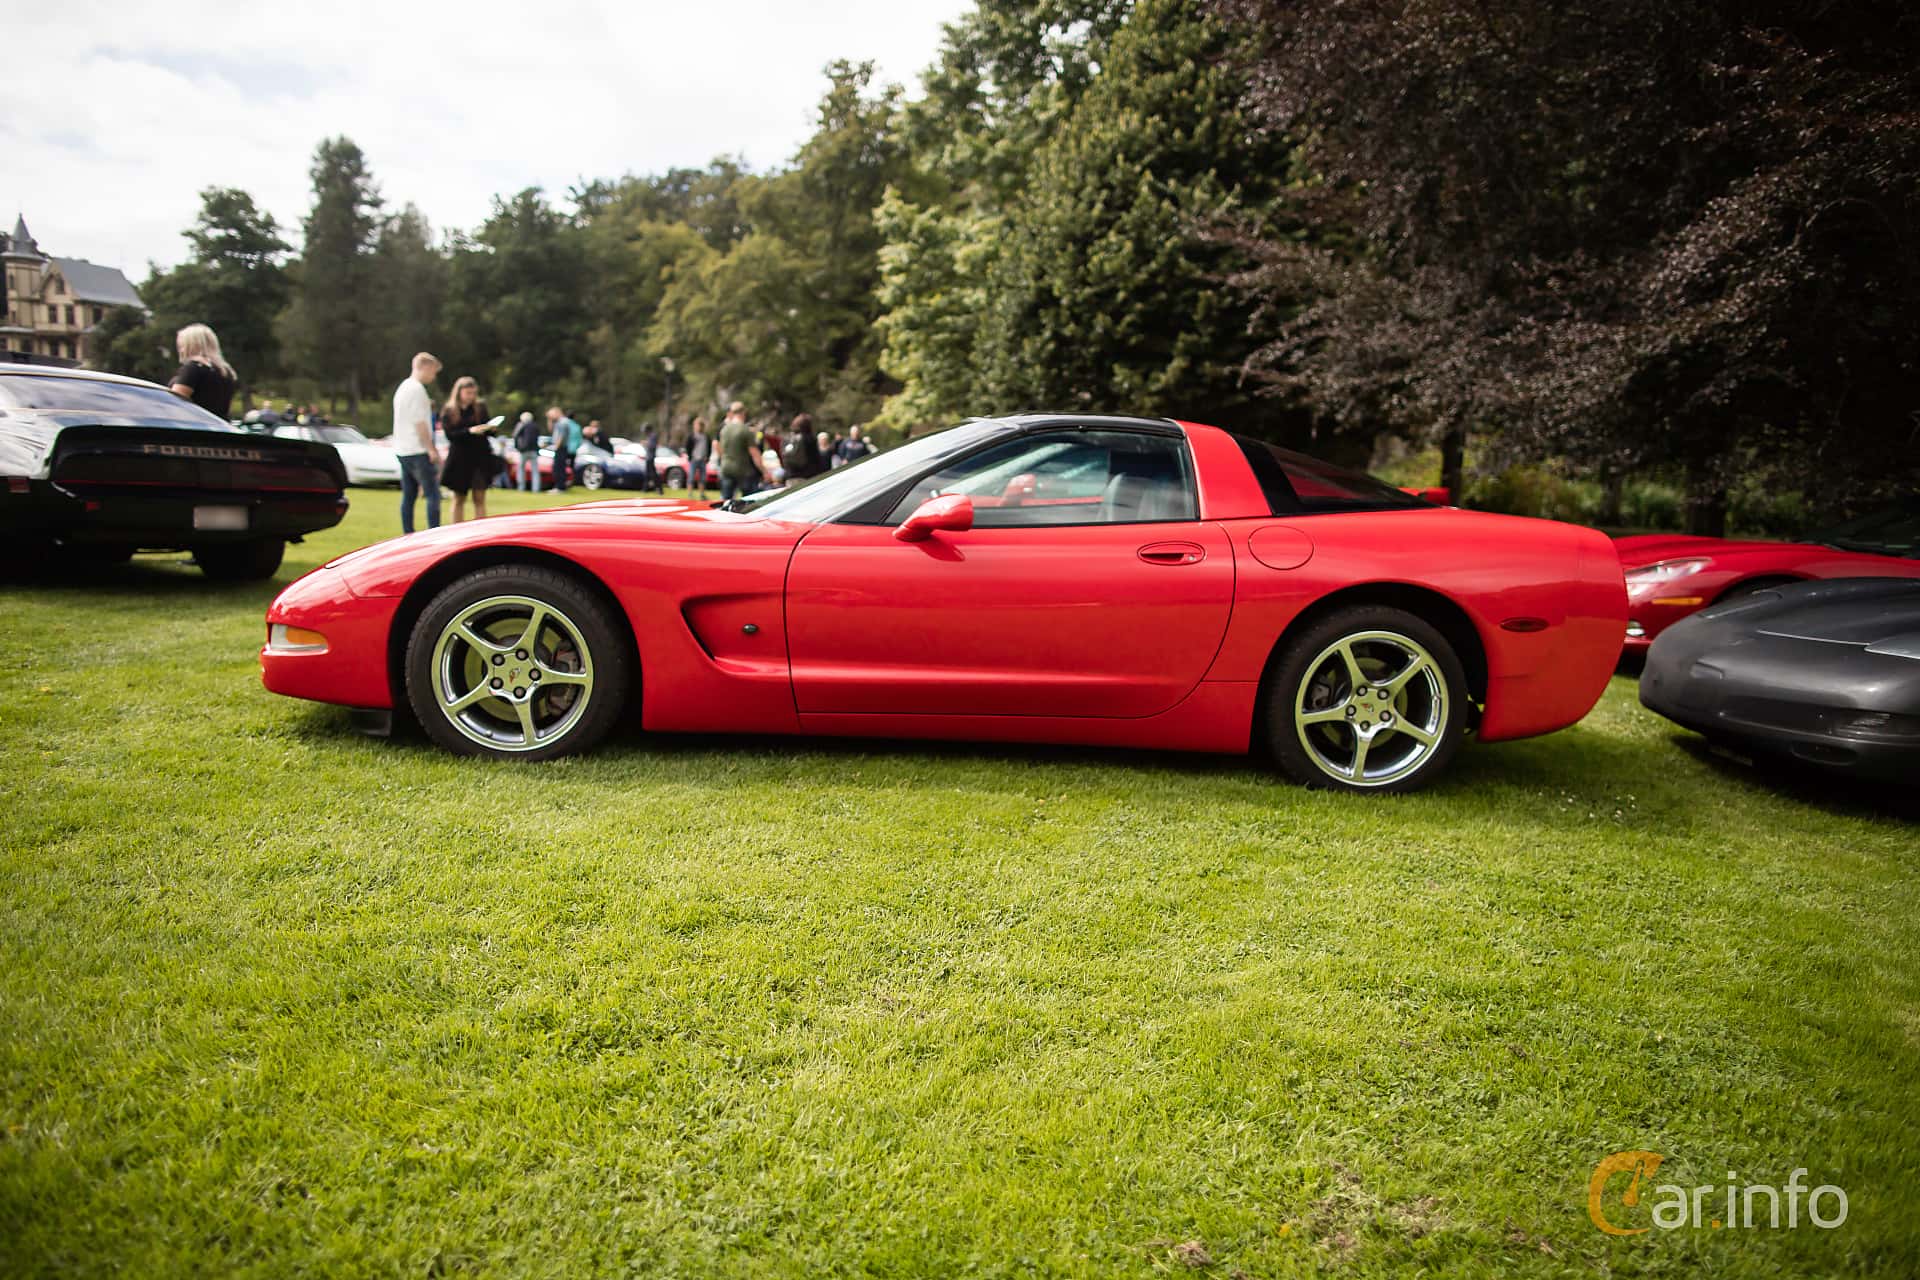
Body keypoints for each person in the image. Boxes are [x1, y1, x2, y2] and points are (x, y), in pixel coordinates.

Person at [393, 351, 443, 533]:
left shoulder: (403, 387)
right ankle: (434, 532)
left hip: (403, 448)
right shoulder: (416, 389)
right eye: (433, 372)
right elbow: (419, 423)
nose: (433, 376)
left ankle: (408, 532)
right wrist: (431, 449)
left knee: (409, 495)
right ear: (425, 367)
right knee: (433, 495)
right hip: (417, 449)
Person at [438, 375, 495, 523]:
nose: (471, 397)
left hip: (479, 458)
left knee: (480, 498)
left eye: (473, 393)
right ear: (459, 392)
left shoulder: (480, 408)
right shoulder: (449, 410)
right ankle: (456, 531)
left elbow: (489, 430)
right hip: (460, 459)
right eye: (468, 393)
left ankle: (480, 533)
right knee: (458, 498)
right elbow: (450, 435)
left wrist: (490, 428)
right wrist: (470, 431)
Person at [167, 324, 237, 419]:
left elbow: (175, 401)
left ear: (192, 345)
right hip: (220, 426)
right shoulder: (226, 371)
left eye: (181, 345)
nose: (181, 350)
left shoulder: (193, 367)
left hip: (194, 425)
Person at [716, 401, 768, 502]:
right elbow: (755, 454)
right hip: (742, 470)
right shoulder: (745, 430)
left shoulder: (724, 430)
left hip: (726, 468)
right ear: (743, 412)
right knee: (748, 501)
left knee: (725, 500)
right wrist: (764, 471)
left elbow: (720, 447)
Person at [546, 406, 583, 491]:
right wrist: (549, 419)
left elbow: (561, 437)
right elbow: (551, 430)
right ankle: (562, 486)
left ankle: (560, 487)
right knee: (561, 468)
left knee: (560, 468)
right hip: (567, 448)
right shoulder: (560, 422)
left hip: (562, 448)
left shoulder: (563, 422)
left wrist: (556, 447)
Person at [781, 412, 827, 480]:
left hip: (791, 477)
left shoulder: (786, 439)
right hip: (808, 476)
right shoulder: (809, 439)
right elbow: (817, 459)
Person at [512, 411, 543, 492]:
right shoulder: (535, 426)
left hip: (524, 450)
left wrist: (517, 447)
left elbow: (515, 436)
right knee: (535, 470)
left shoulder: (521, 425)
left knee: (521, 469)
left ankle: (521, 487)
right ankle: (536, 489)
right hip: (534, 450)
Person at [686, 417, 711, 498]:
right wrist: (690, 456)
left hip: (702, 460)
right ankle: (690, 494)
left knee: (703, 478)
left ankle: (702, 494)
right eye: (697, 425)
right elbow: (687, 447)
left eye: (700, 425)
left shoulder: (706, 437)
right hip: (694, 459)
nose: (698, 427)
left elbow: (709, 447)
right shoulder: (691, 436)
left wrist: (707, 457)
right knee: (691, 478)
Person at [641, 421, 661, 493]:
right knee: (647, 474)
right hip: (648, 457)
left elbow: (652, 446)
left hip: (651, 457)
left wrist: (646, 443)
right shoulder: (649, 436)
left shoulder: (653, 436)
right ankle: (645, 489)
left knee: (653, 474)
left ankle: (659, 489)